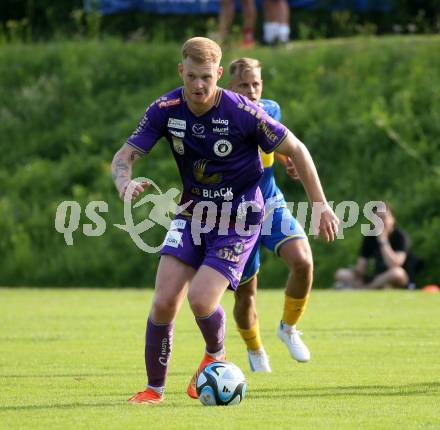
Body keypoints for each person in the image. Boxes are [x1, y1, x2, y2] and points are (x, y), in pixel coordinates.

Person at [111, 37, 339, 405]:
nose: (199, 86)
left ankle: (216, 354)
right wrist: (124, 181)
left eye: (206, 77)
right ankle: (154, 390)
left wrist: (321, 205)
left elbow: (295, 148)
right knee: (165, 300)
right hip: (192, 214)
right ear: (180, 72)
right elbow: (125, 156)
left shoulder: (241, 111)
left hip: (239, 219)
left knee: (201, 299)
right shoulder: (165, 108)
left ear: (218, 74)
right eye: (191, 77)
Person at [229, 57, 313, 373]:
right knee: (246, 295)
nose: (251, 91)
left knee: (303, 261)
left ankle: (288, 328)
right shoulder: (221, 116)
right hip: (234, 216)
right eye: (244, 85)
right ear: (229, 86)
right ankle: (255, 349)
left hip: (270, 205)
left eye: (256, 84)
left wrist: (283, 158)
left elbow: (272, 140)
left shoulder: (271, 109)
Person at [334, 202, 415, 290]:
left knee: (396, 273)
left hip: (398, 277)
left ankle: (363, 289)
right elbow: (361, 266)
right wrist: (356, 271)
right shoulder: (370, 236)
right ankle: (367, 287)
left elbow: (394, 264)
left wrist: (383, 240)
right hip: (377, 277)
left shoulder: (400, 236)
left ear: (392, 219)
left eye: (384, 217)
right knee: (341, 273)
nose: (381, 222)